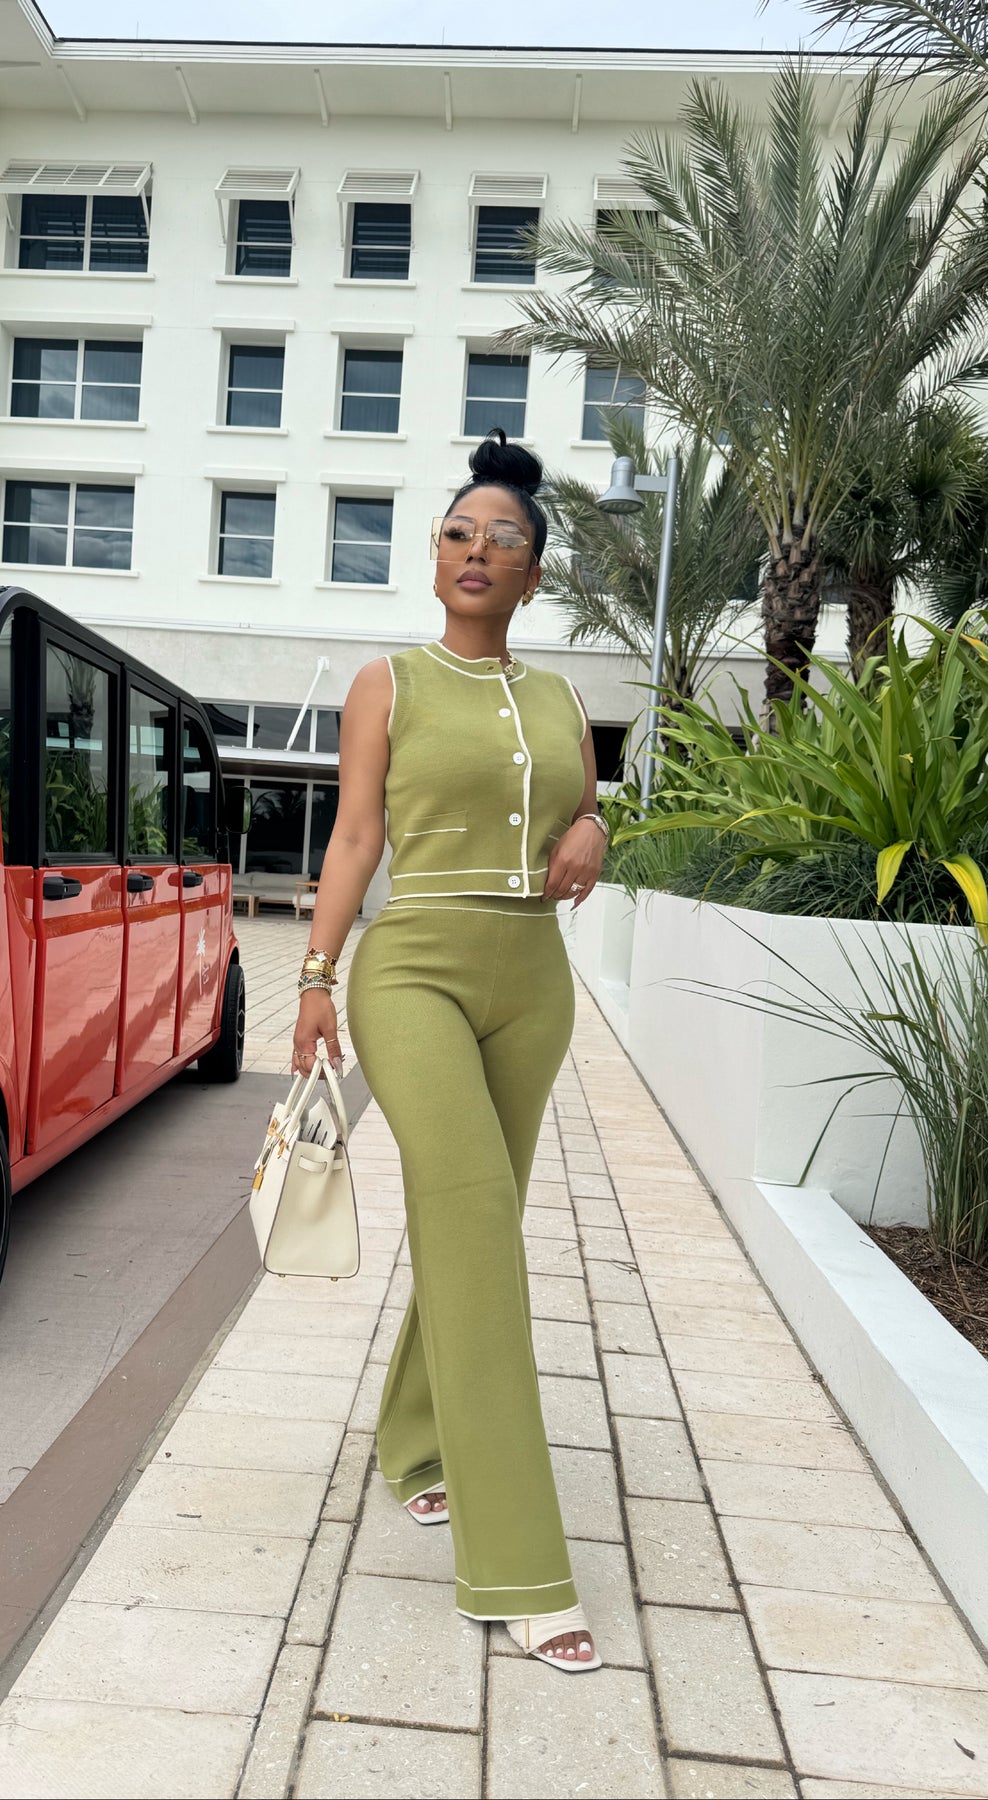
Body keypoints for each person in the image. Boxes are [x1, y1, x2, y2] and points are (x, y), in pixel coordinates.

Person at [291, 428, 609, 1672]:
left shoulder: (561, 699)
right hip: (412, 967)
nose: (476, 551)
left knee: (482, 1217)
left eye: (503, 539)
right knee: (473, 1218)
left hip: (532, 981)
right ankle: (519, 1561)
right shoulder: (389, 682)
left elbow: (578, 809)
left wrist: (594, 828)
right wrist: (314, 978)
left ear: (533, 572)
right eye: (458, 533)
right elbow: (354, 837)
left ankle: (413, 1440)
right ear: (434, 557)